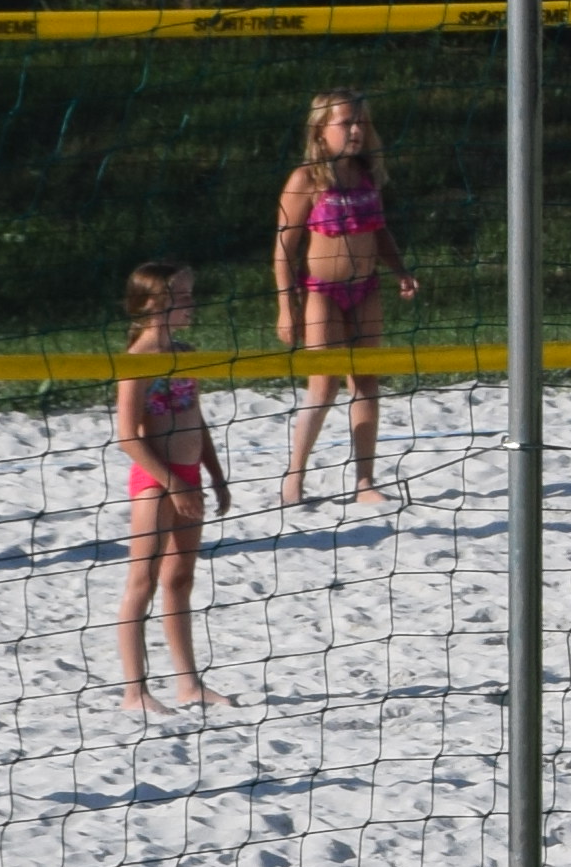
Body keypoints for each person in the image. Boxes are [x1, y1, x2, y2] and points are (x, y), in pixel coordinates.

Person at [270, 88, 419, 509]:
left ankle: (365, 480)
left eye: (361, 123)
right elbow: (284, 249)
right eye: (345, 123)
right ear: (320, 130)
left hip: (366, 288)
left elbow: (380, 231)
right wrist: (287, 305)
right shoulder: (306, 180)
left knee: (366, 384)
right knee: (323, 385)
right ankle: (294, 477)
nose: (355, 130)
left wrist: (400, 270)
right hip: (323, 291)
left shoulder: (367, 173)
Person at [111, 256, 235, 712]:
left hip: (188, 476)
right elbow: (128, 438)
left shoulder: (185, 352)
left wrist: (215, 476)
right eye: (180, 296)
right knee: (141, 580)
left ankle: (189, 684)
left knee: (180, 578)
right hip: (154, 479)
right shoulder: (137, 361)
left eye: (189, 295)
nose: (190, 303)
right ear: (151, 304)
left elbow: (196, 420)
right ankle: (135, 691)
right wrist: (174, 485)